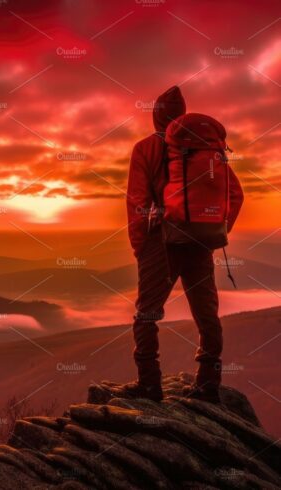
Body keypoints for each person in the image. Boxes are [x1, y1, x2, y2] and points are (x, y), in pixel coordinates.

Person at [121, 86, 244, 403]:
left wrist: (141, 247)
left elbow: (137, 203)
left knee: (147, 315)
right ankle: (208, 385)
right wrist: (215, 230)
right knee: (207, 314)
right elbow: (236, 195)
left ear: (156, 117)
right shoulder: (206, 148)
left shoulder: (146, 148)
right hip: (200, 241)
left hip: (161, 240)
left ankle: (149, 385)